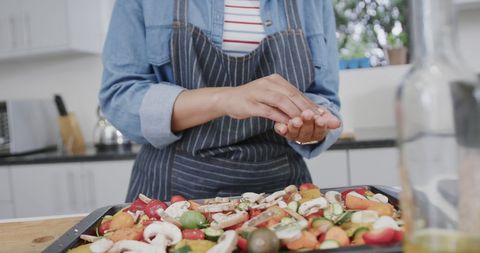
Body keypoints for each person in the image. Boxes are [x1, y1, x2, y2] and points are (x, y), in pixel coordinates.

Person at [100, 0, 342, 202]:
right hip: (170, 188)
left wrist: (309, 127)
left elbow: (324, 98)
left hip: (283, 192)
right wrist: (224, 99)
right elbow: (120, 95)